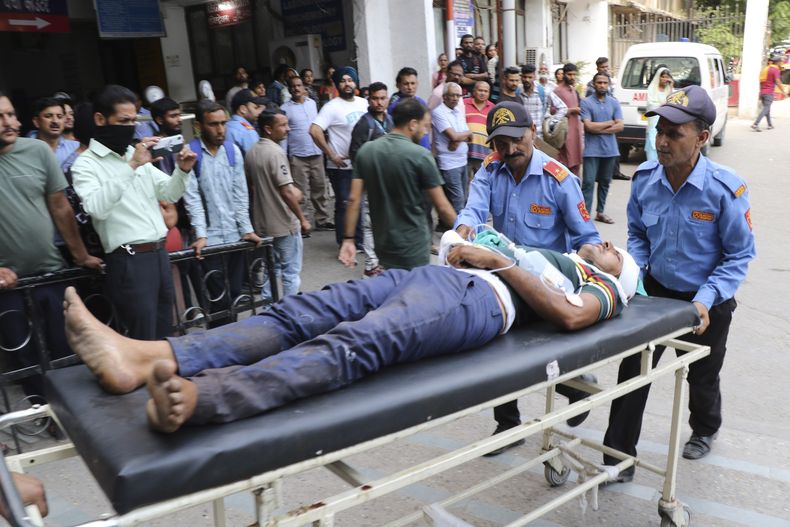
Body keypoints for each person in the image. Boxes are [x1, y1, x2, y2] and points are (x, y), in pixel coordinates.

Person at [65, 231, 638, 433]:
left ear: (621, 279)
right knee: (298, 314)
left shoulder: (601, 286)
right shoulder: (561, 254)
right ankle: (146, 356)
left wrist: (497, 261)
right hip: (439, 276)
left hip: (475, 301)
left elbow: (571, 317)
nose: (609, 245)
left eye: (618, 254)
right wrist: (472, 247)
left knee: (356, 343)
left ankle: (207, 397)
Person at [602, 86, 755, 482]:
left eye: (675, 133)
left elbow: (737, 255)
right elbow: (637, 233)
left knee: (703, 373)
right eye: (660, 130)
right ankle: (618, 454)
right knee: (632, 370)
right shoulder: (646, 179)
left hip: (707, 298)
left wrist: (704, 301)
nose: (662, 141)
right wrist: (634, 272)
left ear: (702, 138)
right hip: (655, 292)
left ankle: (704, 429)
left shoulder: (725, 189)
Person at [455, 101, 603, 452]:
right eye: (500, 143)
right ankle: (508, 426)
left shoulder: (559, 179)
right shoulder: (491, 170)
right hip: (504, 278)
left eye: (517, 140)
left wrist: (571, 277)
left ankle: (575, 385)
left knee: (538, 356)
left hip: (546, 286)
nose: (510, 150)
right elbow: (473, 211)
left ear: (533, 133)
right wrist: (458, 236)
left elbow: (587, 239)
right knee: (494, 350)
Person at [71, 84, 197, 340]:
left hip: (159, 253)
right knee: (141, 338)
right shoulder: (86, 164)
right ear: (100, 119)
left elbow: (168, 193)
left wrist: (182, 171)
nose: (131, 127)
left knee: (165, 332)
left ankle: (163, 379)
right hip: (129, 259)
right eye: (123, 121)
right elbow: (95, 207)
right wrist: (131, 166)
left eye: (133, 120)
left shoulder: (133, 152)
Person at [0, 91, 103, 397]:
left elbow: (60, 207)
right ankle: (40, 414)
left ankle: (75, 412)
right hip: (7, 285)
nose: (8, 122)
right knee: (24, 357)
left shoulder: (36, 151)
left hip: (50, 271)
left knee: (63, 347)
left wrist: (81, 255)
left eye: (10, 114)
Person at [339, 98, 456, 271]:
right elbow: (443, 207)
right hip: (413, 248)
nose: (426, 132)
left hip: (383, 246)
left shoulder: (367, 151)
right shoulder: (421, 156)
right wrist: (465, 235)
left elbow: (353, 199)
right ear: (413, 124)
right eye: (425, 125)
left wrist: (348, 239)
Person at [183, 101, 261, 327]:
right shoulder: (191, 154)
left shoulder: (232, 150)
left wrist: (246, 229)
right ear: (199, 125)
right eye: (213, 124)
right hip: (210, 240)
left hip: (235, 237)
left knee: (235, 296)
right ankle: (218, 346)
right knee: (218, 301)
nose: (220, 129)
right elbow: (192, 198)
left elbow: (240, 195)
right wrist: (201, 234)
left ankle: (232, 344)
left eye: (223, 123)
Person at [246, 110, 311, 302]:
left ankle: (268, 309)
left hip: (263, 224)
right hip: (283, 224)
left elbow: (251, 188)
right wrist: (302, 219)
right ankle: (289, 312)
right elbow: (286, 191)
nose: (288, 129)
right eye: (282, 125)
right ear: (268, 129)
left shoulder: (252, 152)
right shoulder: (276, 153)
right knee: (290, 272)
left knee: (271, 271)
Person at [309, 66, 368, 247]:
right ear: (337, 85)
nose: (347, 83)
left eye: (349, 80)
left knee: (360, 204)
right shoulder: (331, 107)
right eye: (342, 81)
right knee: (345, 204)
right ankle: (345, 242)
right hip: (341, 167)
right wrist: (331, 154)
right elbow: (314, 130)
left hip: (363, 165)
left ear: (355, 82)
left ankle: (359, 241)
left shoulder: (363, 103)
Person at [346, 81, 393, 278]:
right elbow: (354, 155)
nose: (379, 102)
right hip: (370, 182)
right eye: (375, 98)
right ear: (369, 99)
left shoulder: (390, 120)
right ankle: (371, 264)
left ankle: (385, 260)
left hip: (389, 182)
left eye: (383, 98)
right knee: (369, 223)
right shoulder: (364, 124)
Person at [281, 75, 333, 230]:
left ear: (304, 88)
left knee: (320, 189)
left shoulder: (312, 104)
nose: (296, 88)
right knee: (300, 191)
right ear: (289, 89)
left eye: (299, 85)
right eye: (293, 86)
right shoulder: (284, 108)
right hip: (298, 156)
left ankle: (322, 220)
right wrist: (284, 156)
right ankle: (302, 223)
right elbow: (284, 135)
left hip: (316, 152)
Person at [580, 72, 624, 224]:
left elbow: (620, 126)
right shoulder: (586, 102)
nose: (602, 85)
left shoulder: (614, 102)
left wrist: (599, 127)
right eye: (599, 82)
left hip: (610, 150)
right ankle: (584, 215)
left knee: (605, 182)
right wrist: (610, 122)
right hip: (591, 151)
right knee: (588, 183)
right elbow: (588, 126)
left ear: (609, 84)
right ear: (594, 84)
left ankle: (600, 212)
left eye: (605, 83)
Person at [432, 82, 472, 218]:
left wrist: (458, 138)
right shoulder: (438, 112)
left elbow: (468, 134)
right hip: (449, 164)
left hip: (463, 161)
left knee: (464, 197)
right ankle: (459, 233)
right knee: (458, 200)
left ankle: (453, 228)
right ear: (444, 97)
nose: (455, 98)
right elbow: (453, 135)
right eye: (451, 95)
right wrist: (459, 137)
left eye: (457, 95)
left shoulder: (458, 111)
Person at [387, 67, 431, 150]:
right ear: (398, 85)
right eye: (406, 84)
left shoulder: (422, 102)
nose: (410, 87)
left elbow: (428, 126)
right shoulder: (395, 107)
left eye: (413, 83)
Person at [31, 97, 79, 173]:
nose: (55, 121)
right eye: (48, 116)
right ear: (36, 121)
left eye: (59, 116)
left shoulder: (76, 148)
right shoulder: (26, 149)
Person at [519, 64, 567, 140]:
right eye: (524, 77)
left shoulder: (544, 91)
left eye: (530, 77)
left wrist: (551, 122)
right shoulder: (518, 92)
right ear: (521, 77)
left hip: (539, 137)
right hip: (521, 136)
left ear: (534, 77)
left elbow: (563, 108)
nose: (527, 80)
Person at [553, 63, 583, 176]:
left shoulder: (573, 90)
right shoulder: (557, 91)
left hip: (576, 131)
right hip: (564, 132)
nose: (572, 77)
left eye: (574, 75)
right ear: (564, 74)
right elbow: (553, 112)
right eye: (569, 74)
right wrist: (572, 110)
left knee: (576, 164)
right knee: (565, 164)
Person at [464, 81, 495, 180]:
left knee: (481, 184)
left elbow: (494, 131)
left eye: (485, 91)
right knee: (466, 185)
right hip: (465, 154)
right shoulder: (463, 103)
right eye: (480, 90)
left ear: (489, 93)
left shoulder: (493, 108)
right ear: (474, 91)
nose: (482, 93)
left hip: (484, 154)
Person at [644, 67, 673, 160]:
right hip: (654, 121)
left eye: (666, 77)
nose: (664, 79)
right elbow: (651, 104)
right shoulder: (652, 88)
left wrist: (671, 85)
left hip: (665, 120)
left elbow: (672, 102)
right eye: (663, 77)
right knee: (653, 146)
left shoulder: (668, 89)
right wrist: (662, 106)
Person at [226, 88, 266, 156]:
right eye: (256, 107)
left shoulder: (227, 125)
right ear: (243, 109)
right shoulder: (248, 132)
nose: (259, 112)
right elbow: (256, 160)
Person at [752, 54, 786, 131]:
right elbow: (777, 81)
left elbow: (761, 82)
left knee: (767, 109)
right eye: (781, 62)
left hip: (763, 92)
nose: (781, 63)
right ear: (777, 62)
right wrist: (783, 91)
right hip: (769, 93)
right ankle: (755, 124)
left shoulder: (766, 69)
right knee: (766, 108)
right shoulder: (775, 70)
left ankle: (770, 124)